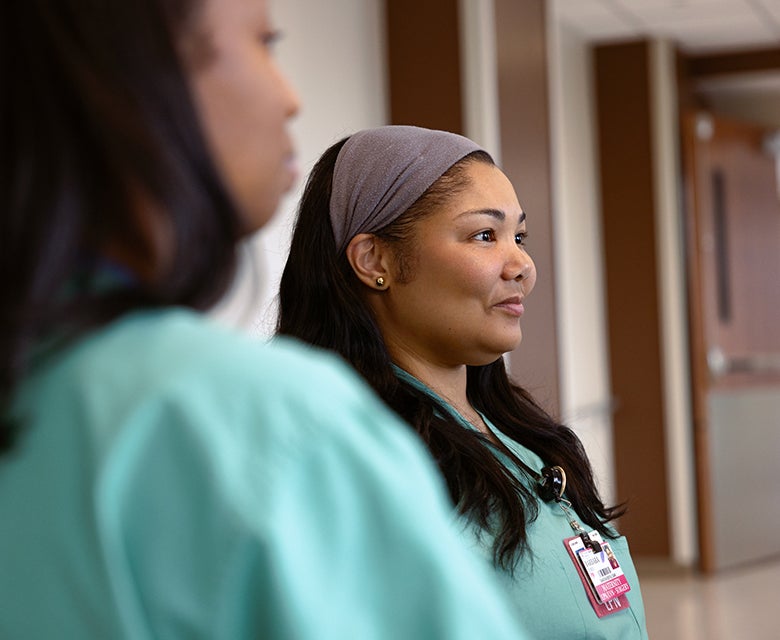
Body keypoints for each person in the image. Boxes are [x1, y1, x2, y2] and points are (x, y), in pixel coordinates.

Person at [0, 2, 531, 638]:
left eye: (520, 236)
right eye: (264, 43)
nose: (290, 98)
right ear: (137, 80)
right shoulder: (269, 423)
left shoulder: (44, 383)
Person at [278, 125, 650, 639]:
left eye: (518, 237)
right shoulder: (353, 464)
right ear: (375, 261)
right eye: (484, 235)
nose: (523, 265)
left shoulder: (518, 432)